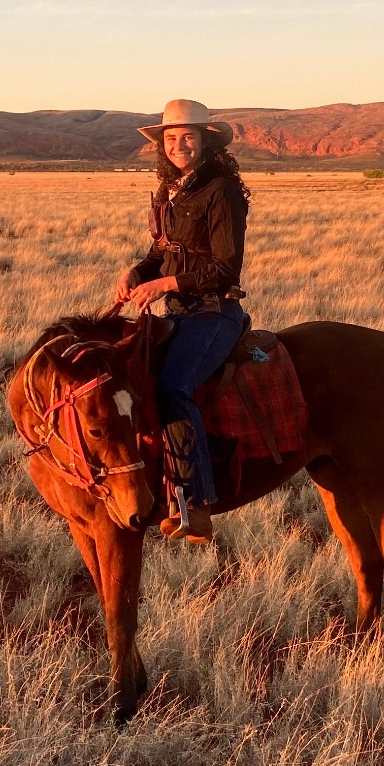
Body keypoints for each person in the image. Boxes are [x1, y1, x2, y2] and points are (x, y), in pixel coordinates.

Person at [116, 99, 250, 542]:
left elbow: (225, 268)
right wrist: (137, 273)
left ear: (207, 141)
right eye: (171, 138)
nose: (179, 145)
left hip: (214, 311)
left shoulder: (221, 190)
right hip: (177, 314)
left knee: (176, 386)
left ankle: (196, 501)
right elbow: (161, 252)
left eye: (188, 137)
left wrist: (166, 286)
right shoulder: (169, 190)